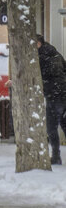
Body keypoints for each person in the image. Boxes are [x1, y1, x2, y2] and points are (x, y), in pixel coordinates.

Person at [36, 34, 66, 165]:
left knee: (51, 127)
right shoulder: (55, 53)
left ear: (38, 43)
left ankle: (55, 156)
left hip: (53, 95)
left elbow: (40, 76)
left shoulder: (41, 57)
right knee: (64, 124)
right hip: (63, 92)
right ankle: (56, 156)